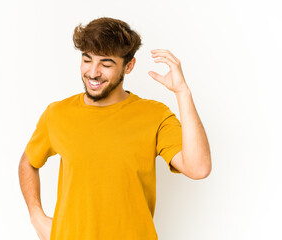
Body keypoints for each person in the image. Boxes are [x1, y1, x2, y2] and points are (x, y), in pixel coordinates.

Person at [18, 17, 211, 240]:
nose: (93, 72)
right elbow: (28, 162)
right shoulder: (57, 114)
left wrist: (182, 93)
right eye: (87, 60)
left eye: (106, 64)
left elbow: (199, 168)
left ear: (128, 66)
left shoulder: (154, 115)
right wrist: (36, 215)